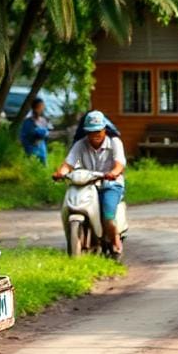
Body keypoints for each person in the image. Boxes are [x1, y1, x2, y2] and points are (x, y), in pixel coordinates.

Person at [52, 109, 126, 256]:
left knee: (108, 216)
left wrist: (113, 173)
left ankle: (115, 238)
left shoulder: (114, 142)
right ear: (86, 131)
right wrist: (61, 173)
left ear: (105, 129)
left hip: (110, 184)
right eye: (91, 132)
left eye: (98, 131)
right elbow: (69, 164)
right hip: (87, 184)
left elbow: (119, 164)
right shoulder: (80, 144)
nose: (95, 135)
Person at [19, 97, 51, 165]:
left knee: (43, 167)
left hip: (41, 149)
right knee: (31, 166)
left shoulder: (43, 120)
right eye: (39, 107)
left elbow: (47, 133)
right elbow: (23, 136)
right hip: (31, 149)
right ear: (34, 108)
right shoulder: (28, 122)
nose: (41, 109)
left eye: (42, 107)